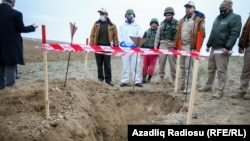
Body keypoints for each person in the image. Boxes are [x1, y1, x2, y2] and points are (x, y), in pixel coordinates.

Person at [198, 0, 242, 98]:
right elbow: (213, 32)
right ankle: (208, 85)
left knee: (221, 70)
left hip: (223, 49)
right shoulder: (218, 18)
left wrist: (228, 47)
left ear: (229, 8)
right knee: (211, 68)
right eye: (220, 8)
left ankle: (220, 90)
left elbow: (234, 34)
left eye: (224, 8)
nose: (221, 10)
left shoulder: (235, 18)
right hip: (214, 47)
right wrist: (208, 45)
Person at [0, 0, 38, 90]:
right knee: (10, 66)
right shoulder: (16, 14)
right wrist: (32, 27)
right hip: (11, 47)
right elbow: (21, 28)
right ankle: (9, 90)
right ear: (12, 2)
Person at [175, 1, 206, 94]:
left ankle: (188, 87)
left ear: (194, 8)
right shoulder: (182, 20)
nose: (187, 9)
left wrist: (197, 48)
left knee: (189, 67)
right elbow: (178, 33)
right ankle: (182, 84)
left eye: (190, 7)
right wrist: (177, 45)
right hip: (182, 46)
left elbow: (202, 34)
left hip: (190, 47)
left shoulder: (199, 20)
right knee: (182, 66)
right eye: (186, 7)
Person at [89, 8, 119, 86]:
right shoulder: (96, 24)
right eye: (100, 14)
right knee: (99, 64)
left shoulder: (112, 25)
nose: (101, 15)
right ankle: (100, 78)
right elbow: (92, 35)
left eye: (102, 14)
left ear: (106, 15)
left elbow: (115, 36)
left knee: (107, 64)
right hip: (98, 46)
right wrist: (91, 44)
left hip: (107, 47)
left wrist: (116, 45)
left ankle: (108, 80)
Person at [154, 7, 178, 85]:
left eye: (169, 15)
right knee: (161, 62)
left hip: (172, 45)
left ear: (172, 15)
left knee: (173, 63)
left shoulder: (177, 23)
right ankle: (161, 77)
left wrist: (177, 46)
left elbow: (179, 35)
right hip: (163, 45)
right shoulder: (162, 23)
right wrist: (155, 46)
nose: (168, 16)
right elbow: (157, 36)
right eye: (166, 15)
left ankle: (174, 79)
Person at [119, 9, 143, 87]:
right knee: (125, 65)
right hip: (125, 48)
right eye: (128, 15)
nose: (129, 16)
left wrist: (135, 43)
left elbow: (140, 35)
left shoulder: (137, 26)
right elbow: (120, 35)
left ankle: (137, 81)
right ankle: (124, 80)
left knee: (135, 64)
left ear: (133, 16)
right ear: (126, 16)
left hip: (135, 48)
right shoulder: (122, 26)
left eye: (131, 15)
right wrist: (122, 42)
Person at [230, 14, 250, 100]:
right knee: (246, 70)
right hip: (249, 46)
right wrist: (241, 45)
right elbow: (245, 30)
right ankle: (242, 90)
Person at [141, 18, 159, 83]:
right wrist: (141, 49)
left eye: (155, 24)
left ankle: (149, 79)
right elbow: (143, 40)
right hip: (146, 50)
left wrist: (158, 51)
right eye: (152, 23)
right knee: (145, 65)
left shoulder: (159, 32)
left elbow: (159, 41)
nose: (153, 25)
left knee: (152, 66)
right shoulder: (146, 31)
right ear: (150, 24)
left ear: (157, 25)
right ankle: (143, 79)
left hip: (154, 50)